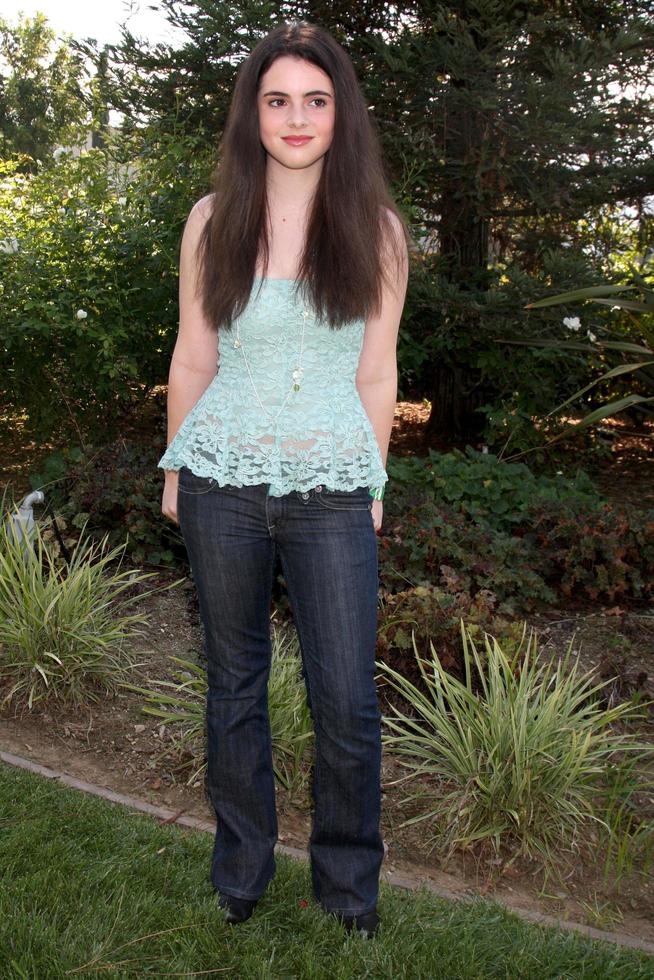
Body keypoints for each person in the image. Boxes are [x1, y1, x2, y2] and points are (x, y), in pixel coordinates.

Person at [159, 20, 410, 939]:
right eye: (277, 101)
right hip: (221, 480)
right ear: (252, 114)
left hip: (331, 489)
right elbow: (193, 357)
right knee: (235, 687)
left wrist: (373, 480)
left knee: (345, 698)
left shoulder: (376, 231)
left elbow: (376, 372)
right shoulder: (211, 219)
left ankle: (348, 889)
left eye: (314, 99)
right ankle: (241, 872)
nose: (295, 117)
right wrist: (177, 466)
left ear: (339, 114)